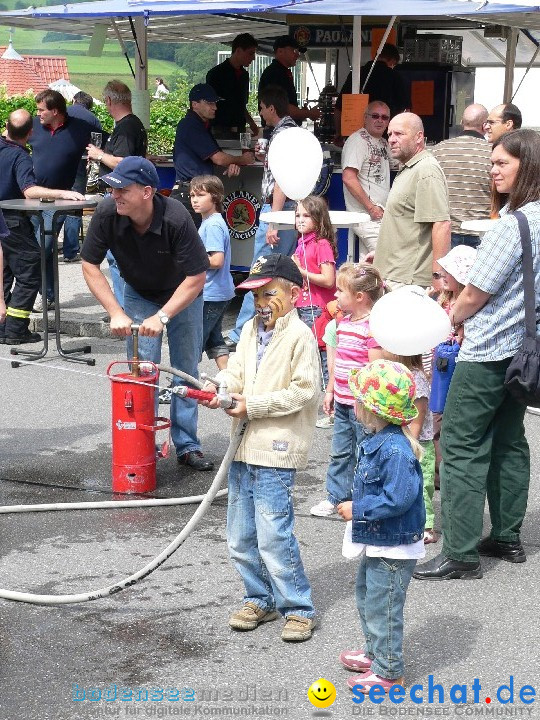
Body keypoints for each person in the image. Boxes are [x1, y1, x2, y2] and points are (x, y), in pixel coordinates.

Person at [413, 128, 540, 581]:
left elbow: (474, 293)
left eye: (502, 163)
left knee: (462, 445)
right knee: (509, 441)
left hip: (488, 350)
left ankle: (461, 552)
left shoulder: (514, 224)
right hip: (527, 353)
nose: (494, 170)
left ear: (527, 166)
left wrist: (449, 318)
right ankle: (506, 537)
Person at [202, 253, 320, 642]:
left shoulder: (300, 335)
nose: (260, 304)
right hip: (242, 446)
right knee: (240, 535)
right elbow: (236, 370)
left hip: (276, 448)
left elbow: (304, 391)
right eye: (254, 296)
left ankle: (298, 608)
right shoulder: (252, 329)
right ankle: (259, 597)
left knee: (273, 534)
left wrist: (253, 405)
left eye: (269, 294)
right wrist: (222, 387)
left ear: (294, 294)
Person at [81, 156, 215, 472]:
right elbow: (89, 266)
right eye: (112, 189)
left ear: (146, 192)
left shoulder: (176, 218)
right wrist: (115, 311)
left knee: (185, 367)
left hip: (183, 293)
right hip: (140, 292)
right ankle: (142, 442)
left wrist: (164, 316)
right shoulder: (106, 212)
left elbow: (197, 276)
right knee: (142, 370)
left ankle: (187, 445)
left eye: (122, 189)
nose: (114, 195)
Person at [338, 359, 425, 694]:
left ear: (372, 410)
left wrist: (359, 508)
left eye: (358, 400)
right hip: (381, 540)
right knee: (367, 596)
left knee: (384, 604)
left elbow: (399, 498)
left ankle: (389, 671)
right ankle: (376, 651)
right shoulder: (379, 438)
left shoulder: (395, 449)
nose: (354, 404)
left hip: (394, 544)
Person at [0, 109, 84, 344]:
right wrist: (64, 193)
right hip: (12, 221)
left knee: (5, 272)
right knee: (30, 270)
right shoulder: (19, 157)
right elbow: (30, 190)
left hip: (4, 222)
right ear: (30, 132)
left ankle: (2, 326)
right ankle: (16, 329)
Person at [227, 85, 299, 346]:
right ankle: (269, 327)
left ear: (271, 108)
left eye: (261, 108)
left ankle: (242, 333)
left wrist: (274, 220)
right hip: (288, 208)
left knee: (259, 271)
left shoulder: (282, 135)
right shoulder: (289, 132)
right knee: (279, 271)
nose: (259, 113)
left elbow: (281, 177)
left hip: (278, 207)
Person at [310, 263, 384, 517]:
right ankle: (336, 496)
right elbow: (337, 363)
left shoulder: (372, 327)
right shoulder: (343, 324)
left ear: (359, 297)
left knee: (364, 451)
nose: (335, 295)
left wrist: (364, 400)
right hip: (342, 400)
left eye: (341, 291)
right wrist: (330, 390)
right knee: (340, 451)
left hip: (362, 405)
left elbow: (374, 370)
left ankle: (363, 499)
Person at [29, 89, 94, 311]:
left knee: (43, 247)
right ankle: (48, 296)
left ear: (55, 111)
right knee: (38, 249)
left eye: (41, 110)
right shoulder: (34, 126)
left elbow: (102, 144)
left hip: (59, 200)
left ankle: (38, 294)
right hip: (31, 197)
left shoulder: (81, 128)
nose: (37, 114)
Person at [86, 80, 148, 311]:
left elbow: (122, 163)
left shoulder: (125, 127)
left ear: (110, 101)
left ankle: (123, 309)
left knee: (117, 256)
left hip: (120, 197)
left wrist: (99, 154)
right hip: (129, 196)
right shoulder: (134, 125)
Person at [373, 112, 451, 291]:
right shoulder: (410, 167)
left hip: (408, 281)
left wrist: (438, 277)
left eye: (399, 134)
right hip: (395, 274)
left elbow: (441, 224)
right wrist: (380, 254)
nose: (392, 139)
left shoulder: (426, 170)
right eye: (390, 134)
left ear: (419, 137)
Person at [172, 83, 255, 228]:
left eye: (215, 103)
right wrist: (243, 159)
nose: (215, 107)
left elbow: (217, 158)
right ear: (195, 104)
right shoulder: (191, 125)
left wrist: (230, 163)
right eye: (209, 103)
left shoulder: (201, 125)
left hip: (195, 192)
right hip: (190, 195)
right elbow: (218, 158)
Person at [190, 175, 235, 370]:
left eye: (200, 195)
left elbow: (217, 260)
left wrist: (188, 260)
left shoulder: (213, 225)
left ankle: (185, 382)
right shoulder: (211, 222)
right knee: (215, 339)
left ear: (215, 197)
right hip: (219, 292)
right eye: (192, 195)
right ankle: (229, 380)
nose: (194, 200)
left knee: (193, 341)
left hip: (211, 293)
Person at [432, 104, 491, 249]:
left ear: (461, 123)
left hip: (444, 231)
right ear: (485, 126)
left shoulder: (438, 150)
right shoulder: (494, 152)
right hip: (481, 233)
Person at [341, 101, 397, 257]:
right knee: (384, 258)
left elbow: (399, 163)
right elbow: (348, 178)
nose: (380, 120)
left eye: (385, 117)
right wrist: (371, 207)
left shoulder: (384, 142)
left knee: (369, 266)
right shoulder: (357, 141)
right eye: (375, 116)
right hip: (366, 215)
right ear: (365, 118)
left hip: (379, 215)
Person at [292, 195, 337, 385]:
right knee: (308, 355)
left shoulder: (321, 244)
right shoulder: (303, 243)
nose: (300, 219)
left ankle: (331, 394)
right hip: (303, 306)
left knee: (323, 354)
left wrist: (301, 271)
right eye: (297, 215)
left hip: (318, 307)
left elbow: (328, 280)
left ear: (318, 219)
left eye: (306, 216)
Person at [334, 43, 410, 141]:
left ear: (376, 55)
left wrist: (339, 133)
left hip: (356, 135)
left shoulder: (356, 74)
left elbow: (338, 108)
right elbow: (406, 111)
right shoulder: (395, 76)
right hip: (385, 137)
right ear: (392, 61)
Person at [63, 91, 104, 263]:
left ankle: (45, 247)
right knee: (74, 205)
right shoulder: (93, 119)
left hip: (57, 163)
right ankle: (70, 251)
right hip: (78, 165)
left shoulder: (63, 112)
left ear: (74, 100)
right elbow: (97, 144)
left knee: (52, 207)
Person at [258, 36, 320, 126]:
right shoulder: (274, 73)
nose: (297, 55)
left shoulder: (282, 72)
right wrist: (309, 113)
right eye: (294, 50)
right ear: (280, 51)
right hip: (278, 130)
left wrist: (301, 112)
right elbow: (283, 108)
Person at [206, 33, 259, 138]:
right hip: (220, 129)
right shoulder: (216, 74)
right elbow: (210, 104)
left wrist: (251, 122)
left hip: (240, 128)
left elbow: (241, 105)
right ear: (238, 51)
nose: (253, 58)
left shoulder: (244, 75)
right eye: (250, 53)